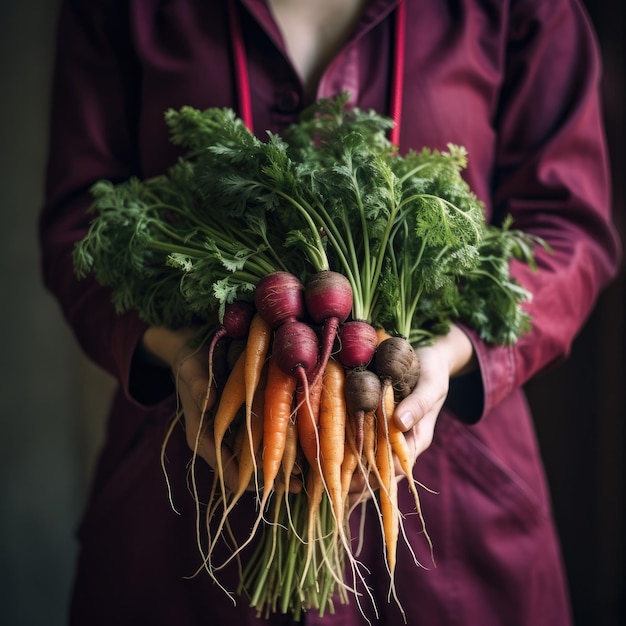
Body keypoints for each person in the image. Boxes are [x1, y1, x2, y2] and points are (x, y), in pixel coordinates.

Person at [39, 1, 621, 625]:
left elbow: (569, 230)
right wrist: (179, 352)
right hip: (184, 480)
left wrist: (447, 355)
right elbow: (82, 229)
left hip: (450, 501)